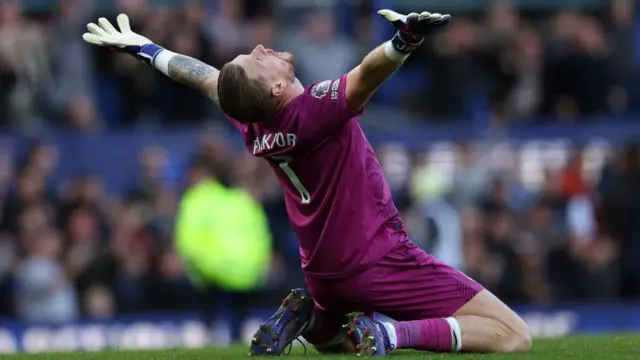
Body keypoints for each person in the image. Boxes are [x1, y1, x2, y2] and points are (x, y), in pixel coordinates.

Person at [82, 9, 532, 356]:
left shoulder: (250, 119)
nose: (261, 47)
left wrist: (146, 48)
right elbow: (366, 75)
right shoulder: (313, 110)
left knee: (336, 342)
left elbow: (199, 75)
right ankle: (392, 333)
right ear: (277, 87)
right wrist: (404, 41)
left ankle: (314, 325)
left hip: (323, 275)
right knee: (513, 334)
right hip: (378, 260)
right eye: (257, 60)